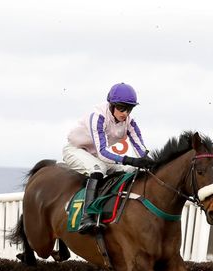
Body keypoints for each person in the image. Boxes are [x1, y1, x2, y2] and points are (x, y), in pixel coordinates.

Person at [62, 82, 155, 234]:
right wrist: (129, 159)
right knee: (98, 170)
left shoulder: (129, 122)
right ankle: (86, 218)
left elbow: (141, 149)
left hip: (95, 155)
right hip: (75, 150)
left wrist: (151, 163)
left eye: (129, 108)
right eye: (121, 108)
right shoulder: (98, 117)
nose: (125, 113)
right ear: (111, 105)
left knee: (129, 171)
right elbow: (103, 152)